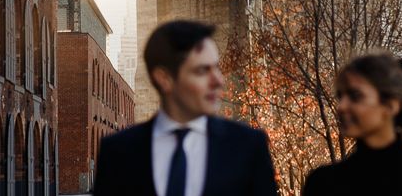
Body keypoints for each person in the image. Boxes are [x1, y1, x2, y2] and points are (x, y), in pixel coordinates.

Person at [94, 20, 278, 196]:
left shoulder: (248, 147)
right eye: (202, 71)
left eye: (216, 68)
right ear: (164, 78)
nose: (218, 81)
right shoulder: (118, 153)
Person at [302, 51, 402, 196]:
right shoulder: (323, 184)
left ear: (391, 105)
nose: (341, 106)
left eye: (355, 96)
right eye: (340, 96)